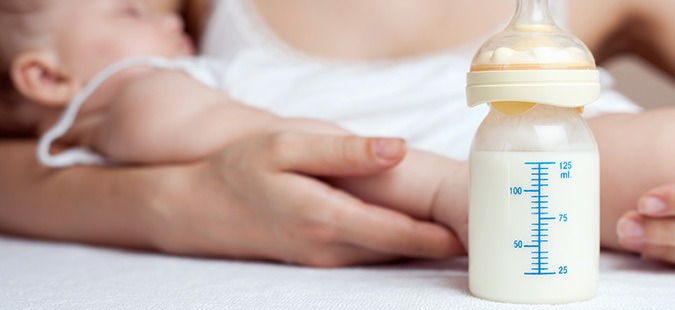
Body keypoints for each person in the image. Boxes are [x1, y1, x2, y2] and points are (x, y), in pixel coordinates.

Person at [0, 0, 674, 266]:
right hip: (487, 156)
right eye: (130, 8)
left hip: (514, 145)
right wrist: (447, 188)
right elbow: (298, 148)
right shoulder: (143, 92)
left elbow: (289, 137)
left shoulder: (160, 78)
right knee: (638, 152)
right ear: (46, 78)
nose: (168, 20)